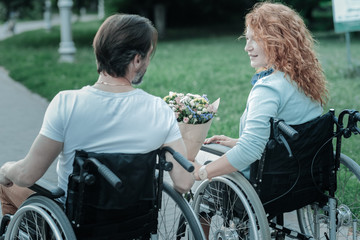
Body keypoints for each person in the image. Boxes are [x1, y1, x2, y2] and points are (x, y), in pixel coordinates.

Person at [0, 13, 194, 216]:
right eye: (148, 55)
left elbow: (27, 175)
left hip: (76, 222)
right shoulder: (159, 109)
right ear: (137, 60)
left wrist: (6, 170)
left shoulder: (67, 103)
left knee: (8, 186)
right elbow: (184, 182)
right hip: (133, 223)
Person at [193, 2, 328, 181]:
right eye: (247, 38)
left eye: (255, 39)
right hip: (303, 177)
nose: (247, 47)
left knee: (194, 158)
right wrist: (238, 142)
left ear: (277, 41)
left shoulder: (269, 88)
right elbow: (292, 139)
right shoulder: (303, 80)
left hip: (267, 181)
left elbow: (249, 152)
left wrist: (202, 171)